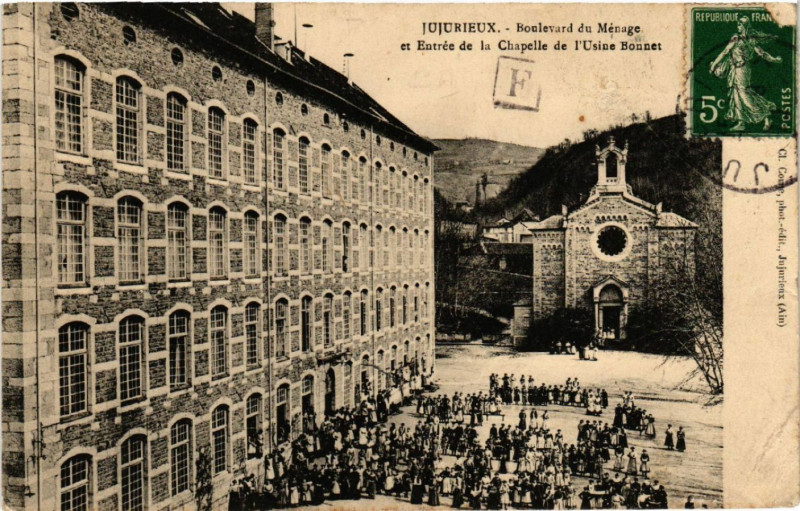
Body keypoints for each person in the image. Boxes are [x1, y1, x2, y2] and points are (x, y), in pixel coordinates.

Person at [709, 16, 783, 131]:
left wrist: (774, 60)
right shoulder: (739, 38)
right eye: (738, 25)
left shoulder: (747, 39)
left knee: (744, 94)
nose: (738, 27)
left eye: (739, 25)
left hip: (742, 70)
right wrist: (774, 59)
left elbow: (761, 53)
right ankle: (741, 122)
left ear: (745, 26)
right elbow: (726, 52)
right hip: (736, 69)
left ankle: (765, 114)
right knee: (736, 94)